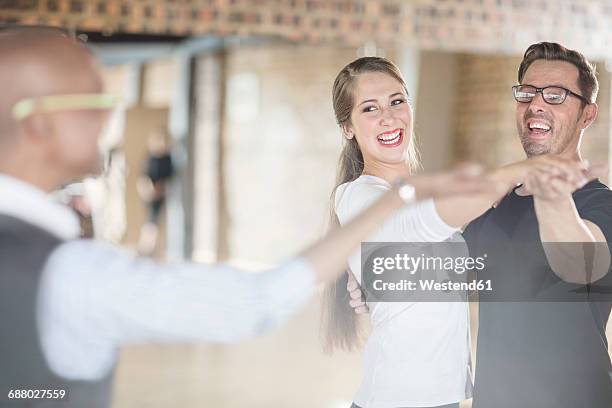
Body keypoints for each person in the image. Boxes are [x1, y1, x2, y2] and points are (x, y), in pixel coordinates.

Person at [0, 28, 497, 408]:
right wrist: (399, 202)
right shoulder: (71, 275)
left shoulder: (62, 265)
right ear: (38, 122)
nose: (109, 116)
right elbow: (254, 301)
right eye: (94, 100)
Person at [346, 44, 611, 408]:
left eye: (556, 95)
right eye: (527, 93)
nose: (537, 104)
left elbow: (580, 266)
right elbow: (442, 257)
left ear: (587, 114)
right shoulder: (496, 203)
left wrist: (551, 191)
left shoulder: (599, 203)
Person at [137, 128, 174, 256]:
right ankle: (146, 248)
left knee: (154, 222)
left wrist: (161, 188)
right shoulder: (149, 157)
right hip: (150, 195)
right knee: (150, 221)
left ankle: (150, 248)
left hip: (161, 194)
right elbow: (143, 176)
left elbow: (169, 176)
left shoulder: (167, 158)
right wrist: (148, 189)